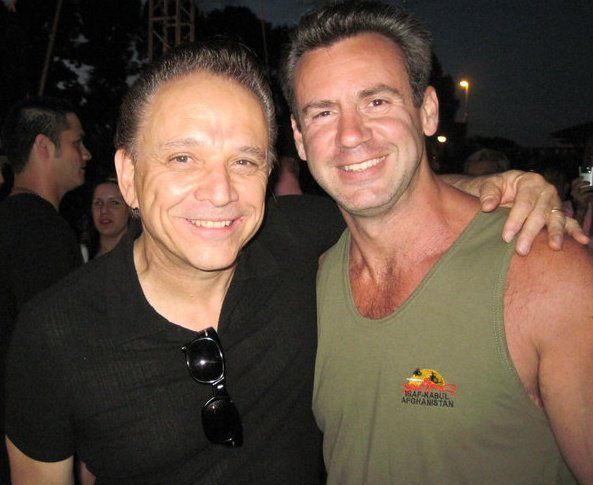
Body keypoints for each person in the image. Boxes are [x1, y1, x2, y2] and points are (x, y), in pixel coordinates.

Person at [3, 41, 582, 484]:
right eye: (183, 158)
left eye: (244, 161)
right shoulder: (54, 334)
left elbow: (391, 196)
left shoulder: (299, 238)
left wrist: (500, 187)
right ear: (128, 174)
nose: (220, 192)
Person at [281, 2, 593, 483]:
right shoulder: (313, 275)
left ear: (427, 111)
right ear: (300, 140)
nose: (350, 135)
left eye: (376, 102)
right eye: (323, 113)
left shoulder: (548, 271)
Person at [0, 95, 91, 483]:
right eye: (77, 142)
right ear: (43, 145)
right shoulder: (43, 233)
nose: (86, 154)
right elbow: (60, 355)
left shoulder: (11, 220)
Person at [88, 176, 131, 259]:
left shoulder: (142, 258)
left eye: (114, 203)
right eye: (98, 203)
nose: (104, 210)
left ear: (129, 208)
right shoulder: (80, 258)